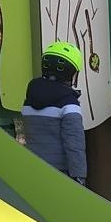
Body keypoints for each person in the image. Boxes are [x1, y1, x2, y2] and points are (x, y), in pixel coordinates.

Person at [21, 40, 88, 183]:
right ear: (71, 73)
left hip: (32, 170)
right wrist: (79, 176)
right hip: (59, 175)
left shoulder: (29, 99)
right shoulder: (69, 104)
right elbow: (74, 144)